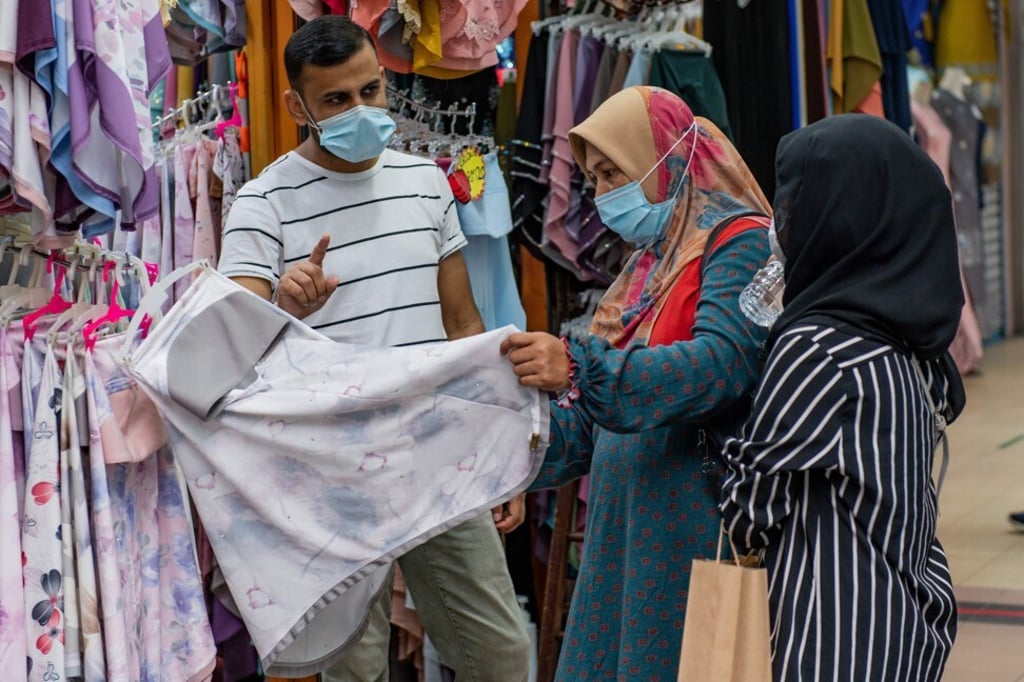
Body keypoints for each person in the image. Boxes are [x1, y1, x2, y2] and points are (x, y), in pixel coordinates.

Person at [217, 16, 530, 681]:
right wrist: (285, 308)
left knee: (500, 655)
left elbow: (463, 323)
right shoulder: (260, 204)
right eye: (336, 100)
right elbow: (231, 355)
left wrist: (497, 446)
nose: (360, 111)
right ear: (296, 106)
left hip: (437, 455)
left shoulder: (424, 184)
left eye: (369, 92)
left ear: (385, 80)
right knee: (353, 670)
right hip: (330, 480)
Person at [501, 86, 772, 679]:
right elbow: (597, 416)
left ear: (670, 161)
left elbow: (722, 364)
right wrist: (516, 464)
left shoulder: (740, 242)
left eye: (612, 173)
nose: (601, 196)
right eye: (594, 179)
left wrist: (578, 364)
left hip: (690, 522)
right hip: (629, 525)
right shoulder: (649, 267)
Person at [718, 115, 966, 681]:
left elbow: (752, 506)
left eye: (793, 205)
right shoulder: (905, 340)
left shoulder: (817, 347)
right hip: (903, 617)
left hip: (829, 633)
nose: (781, 227)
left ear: (835, 217)